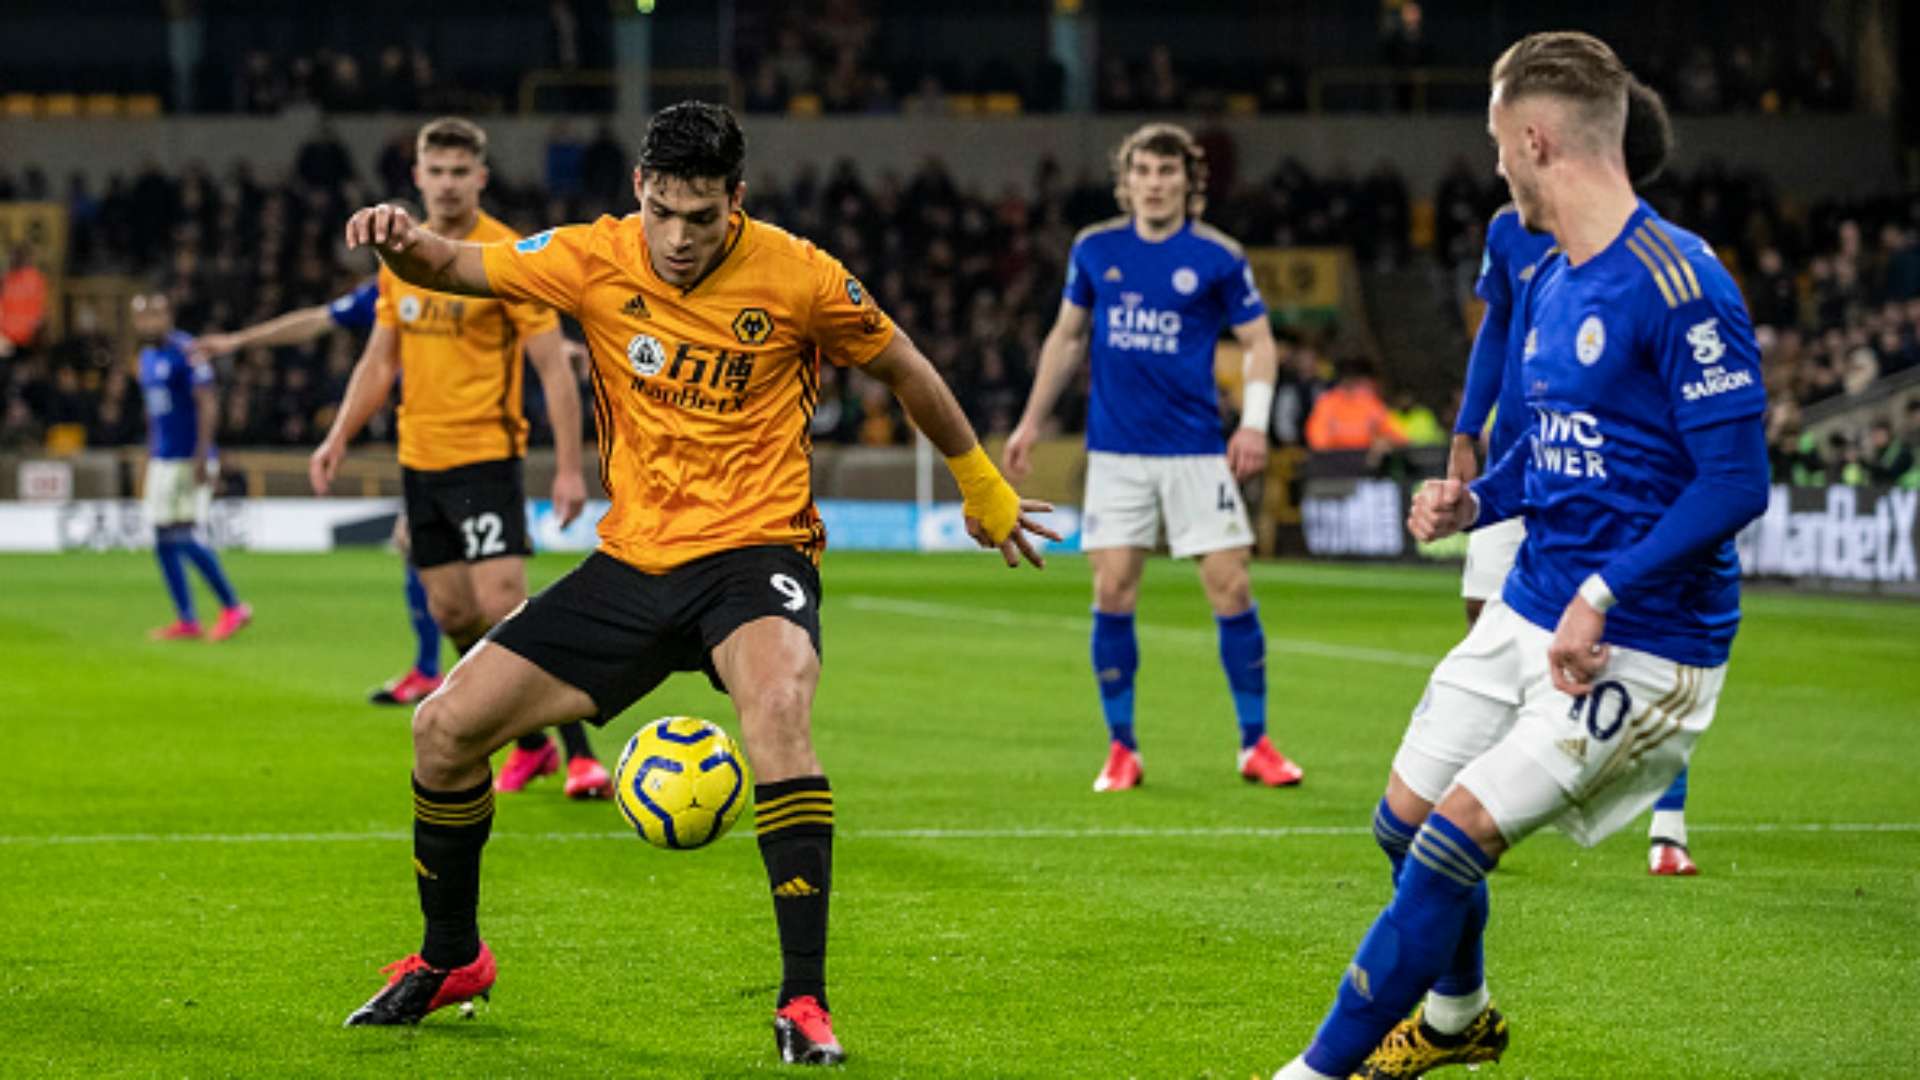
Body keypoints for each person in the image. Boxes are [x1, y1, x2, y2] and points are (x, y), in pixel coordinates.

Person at [336, 102, 1058, 1064]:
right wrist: (400, 238)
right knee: (443, 729)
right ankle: (452, 956)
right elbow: (451, 266)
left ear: (737, 203)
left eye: (703, 217)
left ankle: (802, 1001)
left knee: (778, 712)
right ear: (640, 189)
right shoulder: (593, 254)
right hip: (632, 561)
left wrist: (982, 485)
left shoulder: (799, 275)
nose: (678, 238)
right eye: (665, 212)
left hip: (754, 556)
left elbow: (904, 366)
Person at [1272, 32, 1770, 1079]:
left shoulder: (1681, 284)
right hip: (1532, 607)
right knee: (1400, 829)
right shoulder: (1549, 275)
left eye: (1500, 144)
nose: (1495, 164)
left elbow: (1735, 482)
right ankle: (1460, 1020)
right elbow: (1554, 443)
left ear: (1536, 139)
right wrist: (1477, 500)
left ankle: (1313, 1072)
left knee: (1451, 843)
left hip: (1644, 641)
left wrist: (1603, 589)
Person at [307, 118, 611, 798]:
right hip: (422, 459)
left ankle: (581, 753)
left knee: (507, 603)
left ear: (481, 176)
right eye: (435, 171)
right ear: (417, 176)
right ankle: (530, 744)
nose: (446, 183)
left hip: (485, 455)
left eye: (458, 171)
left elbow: (552, 369)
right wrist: (338, 436)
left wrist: (568, 467)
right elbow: (381, 357)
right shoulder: (400, 257)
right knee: (452, 613)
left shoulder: (508, 255)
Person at [1451, 76, 1702, 877]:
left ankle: (1669, 821)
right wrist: (1468, 429)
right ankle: (1498, 797)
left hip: (1605, 481)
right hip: (1521, 463)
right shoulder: (1512, 232)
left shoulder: (1656, 263)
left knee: (1630, 638)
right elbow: (1497, 333)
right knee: (1484, 619)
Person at [1004, 122, 1304, 793]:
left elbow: (1260, 345)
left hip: (1197, 450)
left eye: (1168, 172)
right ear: (1126, 180)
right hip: (1116, 453)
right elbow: (1066, 338)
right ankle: (1122, 747)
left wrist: (1253, 425)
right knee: (1112, 589)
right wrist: (1030, 422)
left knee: (1232, 587)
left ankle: (1256, 743)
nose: (1155, 183)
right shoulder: (1095, 249)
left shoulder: (1219, 257)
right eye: (1143, 170)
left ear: (1188, 183)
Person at [198, 280, 447, 706]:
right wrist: (240, 340)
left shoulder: (456, 281)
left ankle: (541, 727)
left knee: (483, 584)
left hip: (472, 435)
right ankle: (431, 671)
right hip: (424, 437)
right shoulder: (385, 292)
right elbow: (315, 320)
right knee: (417, 547)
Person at [133, 291, 252, 642]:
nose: (147, 323)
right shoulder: (145, 358)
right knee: (161, 537)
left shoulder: (187, 352)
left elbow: (208, 404)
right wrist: (150, 456)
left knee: (181, 533)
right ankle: (187, 618)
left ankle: (233, 605)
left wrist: (204, 456)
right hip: (163, 458)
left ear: (168, 315)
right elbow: (155, 415)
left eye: (154, 314)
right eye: (141, 316)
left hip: (189, 457)